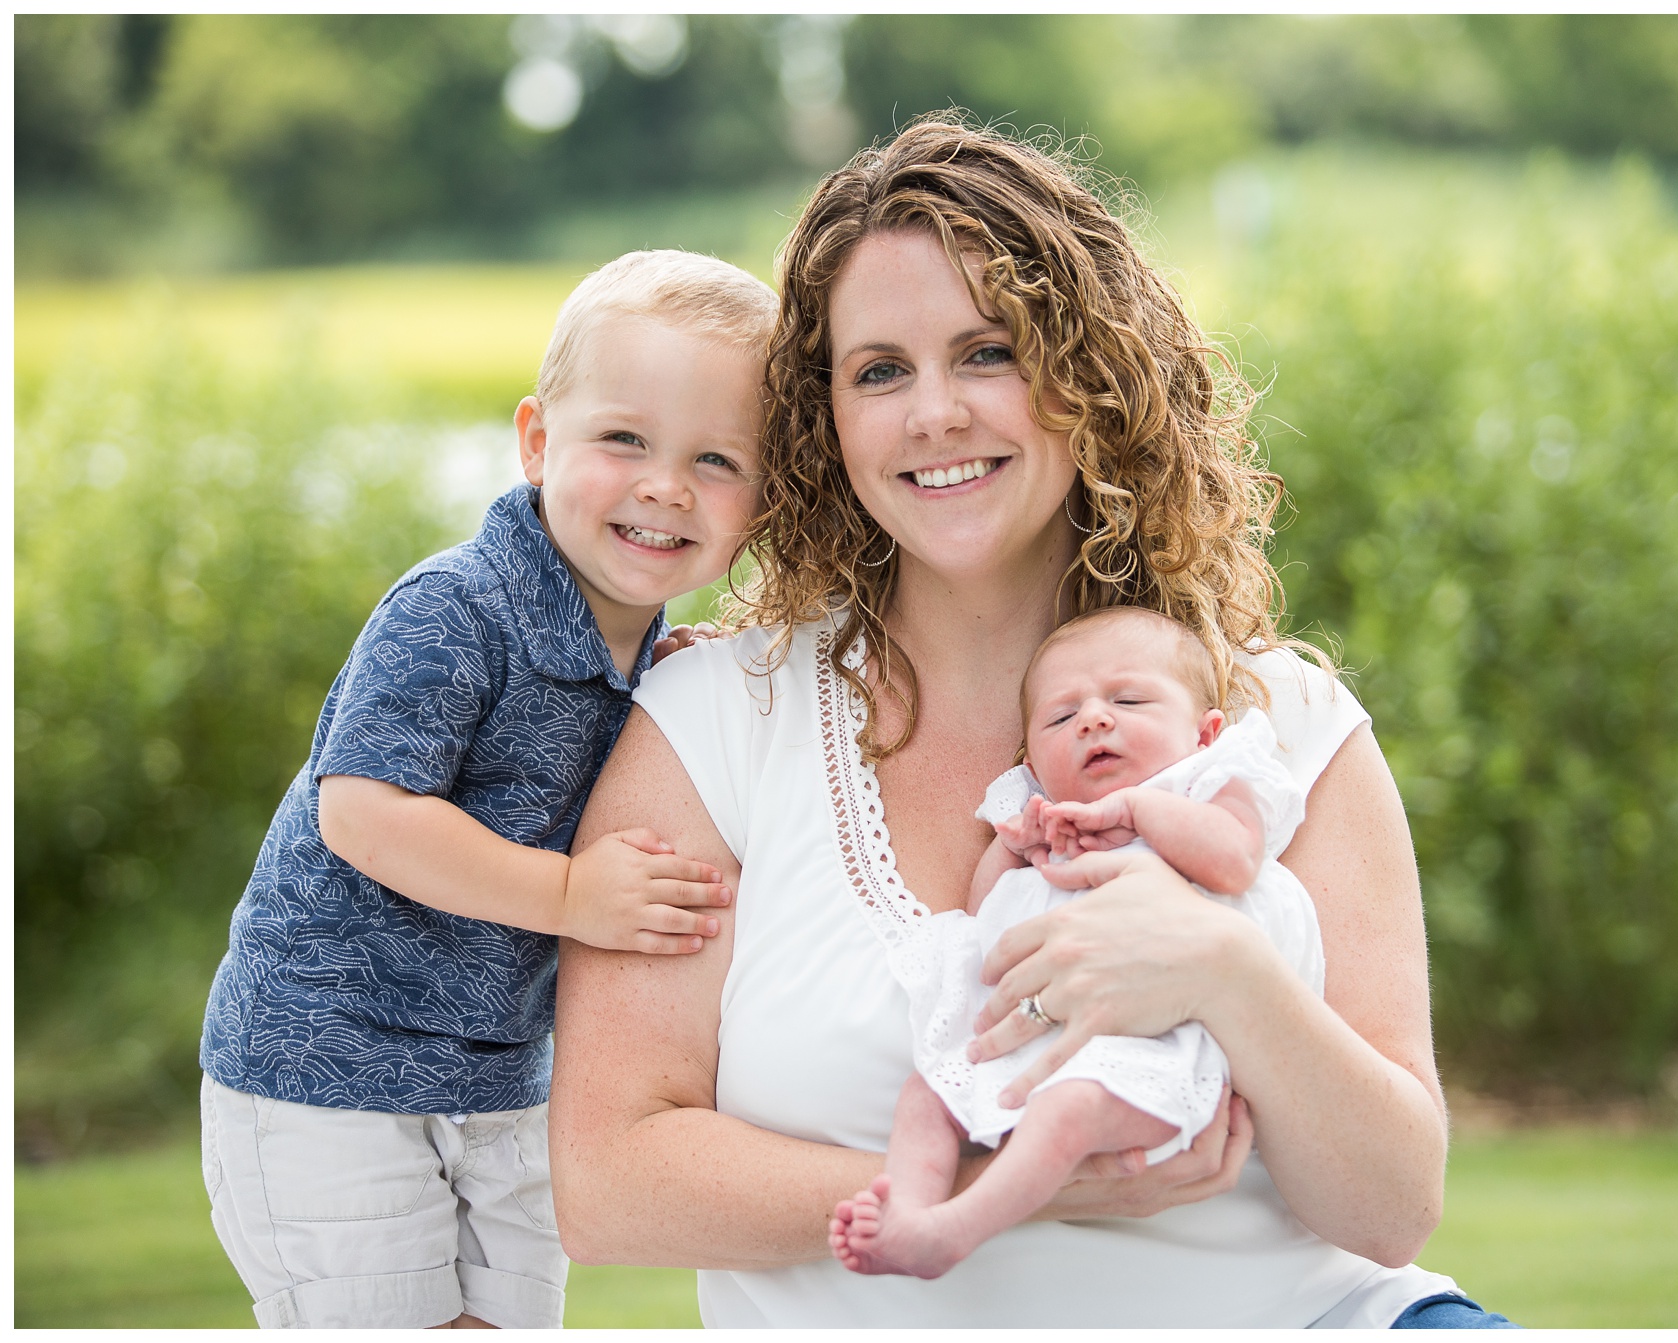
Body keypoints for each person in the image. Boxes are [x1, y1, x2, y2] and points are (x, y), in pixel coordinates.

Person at [551, 118, 1517, 1327]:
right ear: (822, 417)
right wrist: (1013, 1183)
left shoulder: (1280, 723)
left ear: (1088, 374)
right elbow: (606, 1182)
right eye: (879, 370)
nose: (933, 412)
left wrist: (1218, 964)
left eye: (987, 351)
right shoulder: (715, 722)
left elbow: (1389, 1204)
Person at [196, 250, 772, 1329]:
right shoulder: (454, 608)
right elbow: (360, 810)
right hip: (326, 1061)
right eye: (623, 440)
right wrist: (568, 896)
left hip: (495, 1076)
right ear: (536, 440)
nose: (664, 484)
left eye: (717, 459)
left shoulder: (656, 657)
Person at [829, 606, 1327, 1279]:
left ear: (1205, 732)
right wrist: (1015, 851)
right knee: (928, 1093)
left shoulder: (1207, 784)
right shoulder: (1043, 815)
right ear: (1033, 757)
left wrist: (1135, 809)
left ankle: (955, 1228)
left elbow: (1235, 861)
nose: (1094, 718)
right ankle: (909, 1211)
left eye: (1129, 700)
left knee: (1068, 1110)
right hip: (1038, 1042)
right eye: (1062, 717)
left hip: (1149, 1054)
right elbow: (987, 924)